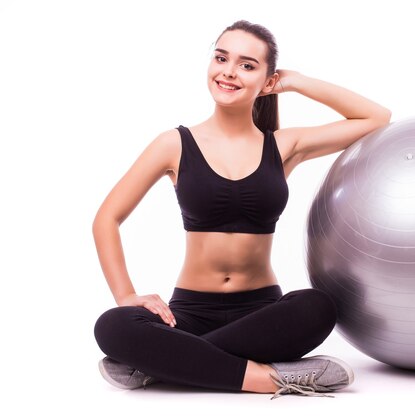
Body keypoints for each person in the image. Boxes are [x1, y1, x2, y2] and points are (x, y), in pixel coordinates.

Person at [93, 19, 391, 399]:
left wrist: (295, 81)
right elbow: (107, 218)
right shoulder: (175, 143)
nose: (229, 71)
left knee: (318, 307)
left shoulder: (284, 146)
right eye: (221, 58)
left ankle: (164, 366)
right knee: (112, 326)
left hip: (263, 313)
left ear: (267, 81)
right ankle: (274, 379)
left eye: (247, 65)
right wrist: (126, 296)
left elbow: (376, 118)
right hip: (187, 314)